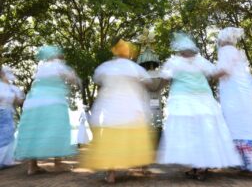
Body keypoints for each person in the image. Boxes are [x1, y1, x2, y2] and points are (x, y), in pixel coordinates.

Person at [158, 32, 241, 181]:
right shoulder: (199, 61)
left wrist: (156, 87)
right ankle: (198, 167)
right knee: (201, 132)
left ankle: (198, 167)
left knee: (191, 132)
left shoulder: (175, 62)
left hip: (186, 101)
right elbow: (214, 74)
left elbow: (164, 79)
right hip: (200, 100)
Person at [80, 39, 155, 183]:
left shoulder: (106, 67)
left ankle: (111, 174)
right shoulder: (134, 68)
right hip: (131, 109)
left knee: (111, 143)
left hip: (112, 110)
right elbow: (149, 81)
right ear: (129, 53)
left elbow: (97, 78)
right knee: (136, 139)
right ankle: (141, 165)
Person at [216, 27, 252, 176]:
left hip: (233, 91)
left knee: (236, 122)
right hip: (243, 89)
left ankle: (249, 164)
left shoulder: (225, 51)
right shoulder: (235, 51)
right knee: (247, 121)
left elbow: (225, 70)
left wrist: (210, 73)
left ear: (223, 39)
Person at [15, 45, 81, 175]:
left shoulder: (41, 67)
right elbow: (72, 79)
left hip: (33, 102)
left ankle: (32, 166)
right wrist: (76, 80)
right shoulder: (58, 65)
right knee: (57, 128)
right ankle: (58, 163)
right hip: (52, 102)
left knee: (35, 131)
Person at [0, 66, 24, 169]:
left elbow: (20, 102)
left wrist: (17, 97)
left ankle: (7, 160)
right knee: (5, 134)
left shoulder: (13, 88)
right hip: (2, 111)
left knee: (9, 134)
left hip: (9, 112)